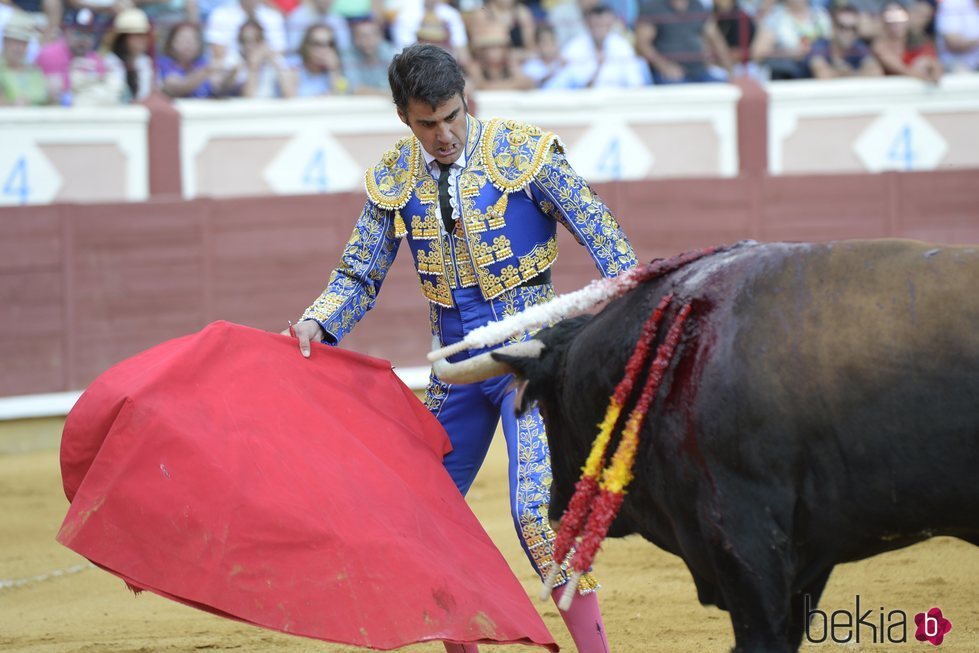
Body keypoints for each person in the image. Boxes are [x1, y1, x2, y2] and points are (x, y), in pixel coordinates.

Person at [286, 43, 637, 653]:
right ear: (403, 116)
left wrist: (617, 332)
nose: (444, 133)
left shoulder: (524, 153)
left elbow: (612, 249)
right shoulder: (394, 177)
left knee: (534, 518)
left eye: (452, 114)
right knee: (423, 522)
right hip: (454, 372)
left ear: (465, 96)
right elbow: (357, 275)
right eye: (427, 122)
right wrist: (320, 321)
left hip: (530, 364)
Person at [548, 1, 648, 88]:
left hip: (617, 102)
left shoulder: (622, 46)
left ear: (610, 23)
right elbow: (563, 84)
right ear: (587, 23)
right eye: (596, 25)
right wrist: (598, 67)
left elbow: (636, 83)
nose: (599, 29)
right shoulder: (574, 48)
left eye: (603, 25)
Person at [635, 0, 734, 83]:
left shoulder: (697, 6)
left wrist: (730, 71)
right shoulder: (653, 8)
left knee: (721, 87)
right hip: (668, 75)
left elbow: (716, 39)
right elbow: (642, 44)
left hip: (699, 71)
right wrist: (664, 67)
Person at [872, 1, 942, 81]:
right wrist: (923, 77)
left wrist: (933, 69)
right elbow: (899, 68)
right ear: (883, 21)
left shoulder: (920, 40)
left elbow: (934, 63)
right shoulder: (880, 45)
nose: (896, 24)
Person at [807, 3, 883, 77]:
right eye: (842, 27)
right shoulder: (819, 47)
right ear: (833, 27)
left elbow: (876, 72)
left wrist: (848, 74)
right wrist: (856, 74)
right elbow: (823, 75)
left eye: (853, 28)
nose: (848, 33)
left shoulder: (859, 47)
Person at [104, 7, 155, 103]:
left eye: (144, 35)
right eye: (138, 35)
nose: (143, 40)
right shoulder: (108, 63)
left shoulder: (146, 63)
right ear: (123, 39)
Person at [0, 9, 50, 105]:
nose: (17, 48)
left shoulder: (35, 71)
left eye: (22, 43)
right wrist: (12, 105)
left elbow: (46, 100)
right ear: (5, 43)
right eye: (13, 42)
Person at [341, 16, 395, 95]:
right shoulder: (347, 55)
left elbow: (397, 88)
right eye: (362, 36)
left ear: (381, 36)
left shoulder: (390, 53)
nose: (368, 40)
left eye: (372, 35)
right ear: (354, 39)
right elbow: (355, 89)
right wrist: (385, 94)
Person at [290, 23, 349, 95]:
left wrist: (334, 71)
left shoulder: (336, 67)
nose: (325, 50)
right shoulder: (293, 66)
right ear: (306, 46)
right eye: (318, 44)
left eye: (330, 44)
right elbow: (290, 101)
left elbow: (342, 97)